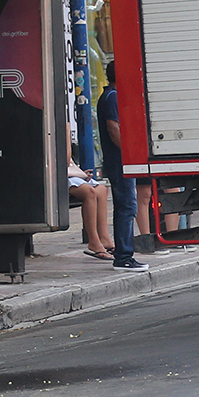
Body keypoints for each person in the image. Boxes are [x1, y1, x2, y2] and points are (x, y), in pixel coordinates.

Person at [97, 61, 147, 271]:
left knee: (125, 206)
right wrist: (128, 152)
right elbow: (113, 127)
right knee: (127, 206)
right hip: (120, 161)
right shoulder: (113, 97)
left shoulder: (108, 96)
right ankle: (124, 256)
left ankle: (123, 253)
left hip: (118, 160)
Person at [68, 125, 115, 261]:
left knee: (101, 190)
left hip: (70, 171)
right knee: (89, 192)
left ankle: (104, 238)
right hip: (58, 173)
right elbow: (65, 157)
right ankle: (93, 240)